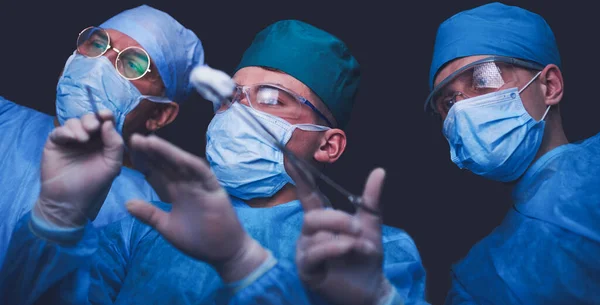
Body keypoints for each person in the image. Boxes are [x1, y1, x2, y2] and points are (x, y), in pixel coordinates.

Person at [1, 20, 427, 305]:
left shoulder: (372, 252)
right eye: (231, 97)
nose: (239, 111)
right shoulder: (141, 229)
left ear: (328, 146)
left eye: (271, 99)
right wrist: (58, 218)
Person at [0, 4, 204, 267]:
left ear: (159, 114)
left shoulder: (141, 215)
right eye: (98, 44)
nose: (99, 65)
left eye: (132, 64)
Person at [424, 2, 600, 304]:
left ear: (549, 85)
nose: (463, 109)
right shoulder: (482, 279)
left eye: (484, 79)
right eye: (448, 103)